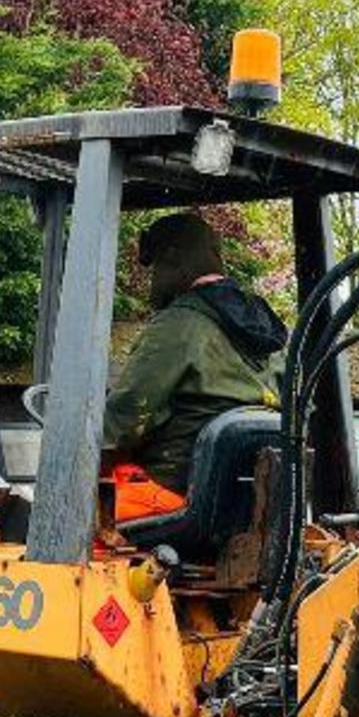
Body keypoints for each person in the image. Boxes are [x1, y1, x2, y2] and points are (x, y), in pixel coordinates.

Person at [104, 212, 287, 519]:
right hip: (249, 511)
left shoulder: (178, 326)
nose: (153, 283)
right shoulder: (273, 341)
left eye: (157, 268)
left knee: (61, 511)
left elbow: (124, 421)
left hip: (173, 495)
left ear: (174, 259)